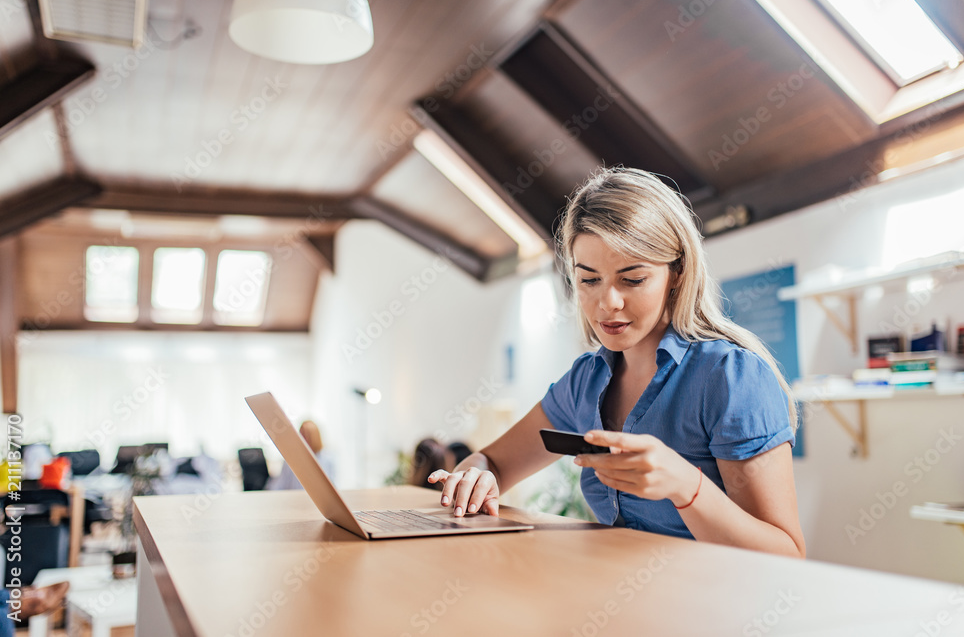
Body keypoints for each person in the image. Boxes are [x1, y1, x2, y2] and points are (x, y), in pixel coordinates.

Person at [429, 167, 806, 558]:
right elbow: (492, 460)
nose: (608, 302)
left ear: (677, 272)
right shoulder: (585, 382)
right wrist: (476, 473)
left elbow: (786, 555)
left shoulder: (729, 376)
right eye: (589, 280)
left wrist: (685, 485)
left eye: (632, 279)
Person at [267, 420, 335, 490]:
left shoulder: (327, 460)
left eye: (307, 436)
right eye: (301, 435)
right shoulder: (291, 460)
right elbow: (279, 484)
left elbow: (332, 487)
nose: (303, 439)